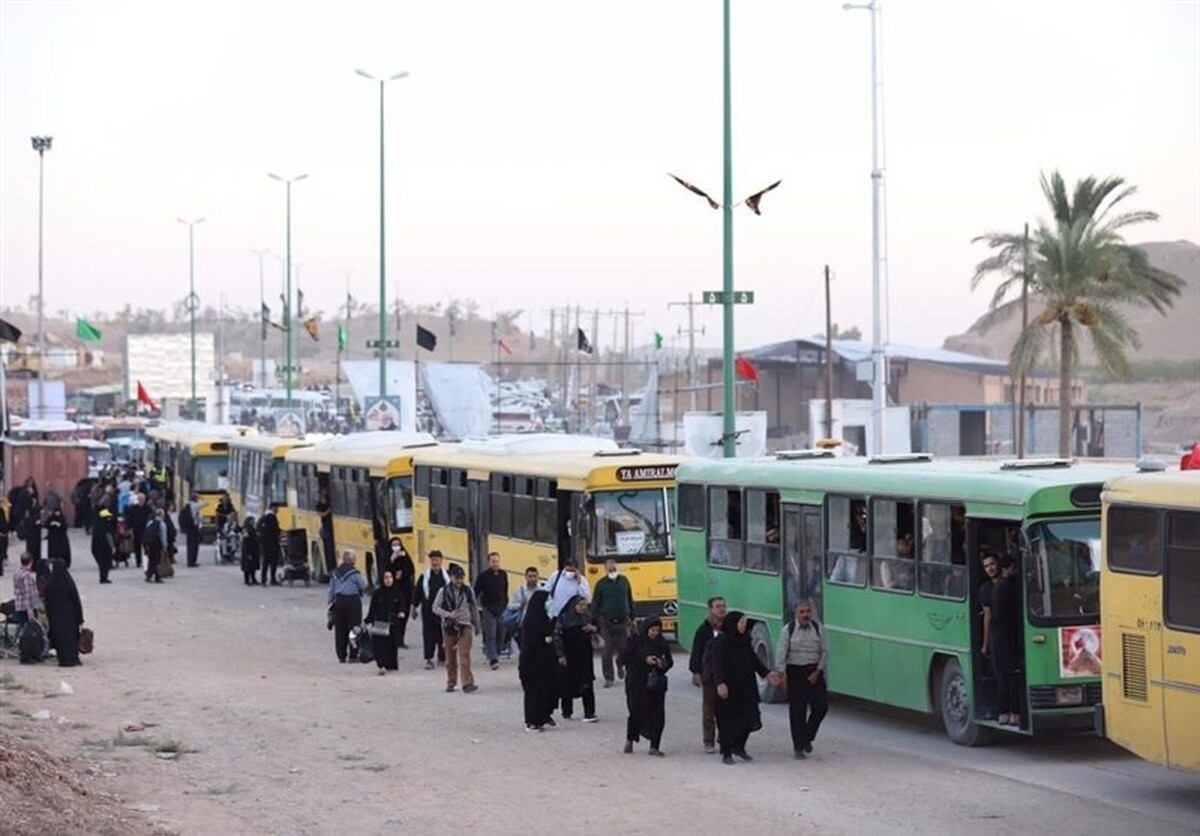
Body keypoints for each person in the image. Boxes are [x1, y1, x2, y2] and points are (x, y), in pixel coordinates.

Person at [710, 610, 770, 765]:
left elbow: (753, 659)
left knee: (749, 717)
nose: (744, 626)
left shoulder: (744, 640)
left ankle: (739, 747)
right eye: (741, 622)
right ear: (733, 624)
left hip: (746, 685)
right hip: (728, 687)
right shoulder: (721, 641)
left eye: (744, 622)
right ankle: (727, 752)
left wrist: (767, 674)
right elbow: (716, 664)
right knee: (728, 720)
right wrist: (720, 683)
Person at [771, 600, 829, 759]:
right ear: (796, 613)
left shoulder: (818, 629)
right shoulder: (787, 630)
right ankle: (798, 746)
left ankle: (807, 737)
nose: (806, 615)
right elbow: (781, 654)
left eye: (808, 611)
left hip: (814, 672)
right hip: (796, 672)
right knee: (798, 710)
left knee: (821, 707)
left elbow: (825, 651)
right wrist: (782, 676)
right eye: (802, 612)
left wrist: (818, 671)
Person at [621, 616, 673, 756]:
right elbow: (623, 658)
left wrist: (663, 664)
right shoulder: (635, 641)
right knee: (636, 711)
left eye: (657, 630)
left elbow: (669, 661)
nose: (655, 633)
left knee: (658, 714)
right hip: (636, 682)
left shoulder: (662, 643)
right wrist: (644, 660)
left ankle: (654, 746)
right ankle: (630, 739)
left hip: (655, 685)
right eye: (652, 630)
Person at [432, 563, 480, 693]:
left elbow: (474, 608)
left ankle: (467, 683)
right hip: (449, 627)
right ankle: (451, 682)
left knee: (464, 656)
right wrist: (448, 614)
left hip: (465, 626)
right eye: (456, 578)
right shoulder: (443, 591)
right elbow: (435, 608)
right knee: (450, 658)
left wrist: (477, 625)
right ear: (451, 577)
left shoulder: (468, 591)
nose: (459, 580)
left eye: (461, 578)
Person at [688, 596, 727, 754]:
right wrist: (696, 672)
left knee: (725, 708)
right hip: (709, 675)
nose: (721, 609)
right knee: (709, 709)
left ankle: (725, 737)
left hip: (725, 675)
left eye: (723, 606)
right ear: (710, 609)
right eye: (718, 606)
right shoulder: (703, 630)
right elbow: (697, 652)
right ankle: (708, 741)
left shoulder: (729, 627)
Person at [591, 557, 636, 687]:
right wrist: (594, 625)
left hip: (623, 621)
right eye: (610, 569)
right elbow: (595, 604)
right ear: (605, 569)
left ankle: (620, 664)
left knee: (624, 649)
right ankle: (609, 677)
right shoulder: (601, 584)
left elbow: (630, 599)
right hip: (606, 622)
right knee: (606, 650)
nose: (612, 570)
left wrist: (633, 617)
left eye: (614, 568)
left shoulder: (624, 581)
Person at [553, 595, 599, 722]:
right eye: (580, 605)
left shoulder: (589, 617)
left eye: (585, 605)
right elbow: (557, 637)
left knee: (587, 683)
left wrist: (593, 628)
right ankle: (567, 712)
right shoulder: (564, 618)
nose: (583, 608)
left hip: (585, 656)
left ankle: (589, 712)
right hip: (569, 656)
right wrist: (560, 655)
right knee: (567, 684)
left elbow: (598, 627)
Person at [518, 588, 558, 731]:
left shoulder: (543, 617)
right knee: (533, 691)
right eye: (547, 601)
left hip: (543, 663)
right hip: (532, 663)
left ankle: (543, 716)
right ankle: (532, 721)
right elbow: (536, 641)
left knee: (545, 690)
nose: (549, 603)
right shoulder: (530, 622)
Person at [991, 556, 1022, 726]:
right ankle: (1014, 713)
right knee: (1013, 677)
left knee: (1002, 676)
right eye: (1013, 568)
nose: (1015, 571)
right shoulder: (1010, 586)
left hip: (998, 638)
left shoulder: (997, 587)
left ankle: (1003, 712)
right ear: (1006, 569)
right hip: (1009, 638)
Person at [328, 551, 368, 663]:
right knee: (354, 627)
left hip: (339, 601)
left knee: (340, 629)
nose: (355, 560)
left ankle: (341, 655)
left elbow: (331, 590)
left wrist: (330, 604)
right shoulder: (354, 573)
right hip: (353, 602)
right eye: (354, 558)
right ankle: (353, 655)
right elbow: (364, 586)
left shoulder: (335, 573)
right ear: (350, 560)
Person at [412, 550, 450, 670]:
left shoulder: (447, 577)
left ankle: (442, 657)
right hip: (428, 610)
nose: (435, 562)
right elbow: (417, 593)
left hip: (443, 610)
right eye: (433, 560)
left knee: (443, 634)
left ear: (441, 560)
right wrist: (414, 607)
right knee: (428, 634)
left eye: (437, 560)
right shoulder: (424, 577)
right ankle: (429, 659)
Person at [44, 559, 84, 668]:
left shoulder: (51, 583)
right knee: (71, 637)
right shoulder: (68, 581)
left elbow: (47, 601)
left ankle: (63, 659)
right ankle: (73, 658)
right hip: (70, 616)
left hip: (56, 617)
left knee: (60, 638)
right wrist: (80, 617)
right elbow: (76, 600)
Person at [473, 551, 508, 670]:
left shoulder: (503, 574)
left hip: (502, 609)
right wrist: (474, 608)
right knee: (491, 635)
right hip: (488, 609)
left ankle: (496, 653)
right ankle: (493, 659)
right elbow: (475, 592)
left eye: (497, 561)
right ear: (489, 562)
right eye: (493, 561)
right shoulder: (482, 577)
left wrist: (506, 604)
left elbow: (505, 591)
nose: (495, 564)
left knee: (501, 634)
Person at [366, 569, 402, 674]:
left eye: (390, 577)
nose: (388, 580)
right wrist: (367, 621)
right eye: (386, 578)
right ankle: (381, 665)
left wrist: (401, 612)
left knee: (392, 644)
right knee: (380, 645)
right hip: (380, 622)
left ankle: (391, 664)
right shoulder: (377, 593)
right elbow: (372, 609)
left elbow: (402, 604)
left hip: (393, 622)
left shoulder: (397, 591)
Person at [386, 539, 415, 647]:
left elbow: (411, 569)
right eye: (394, 545)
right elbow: (384, 571)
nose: (396, 547)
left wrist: (402, 574)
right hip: (393, 590)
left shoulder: (405, 556)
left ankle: (400, 639)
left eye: (398, 544)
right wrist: (392, 559)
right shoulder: (388, 557)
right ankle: (393, 639)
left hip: (405, 589)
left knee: (404, 615)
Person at [505, 566, 541, 649]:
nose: (532, 579)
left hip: (537, 625)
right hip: (523, 625)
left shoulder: (541, 590)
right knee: (524, 649)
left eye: (534, 576)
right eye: (530, 576)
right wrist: (520, 604)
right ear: (526, 577)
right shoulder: (520, 590)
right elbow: (510, 606)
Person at [979, 552, 1000, 678]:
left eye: (992, 564)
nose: (990, 569)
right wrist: (985, 644)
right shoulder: (985, 589)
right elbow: (988, 617)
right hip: (996, 637)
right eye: (986, 566)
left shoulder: (1010, 582)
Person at [11, 552, 40, 624]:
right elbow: (27, 595)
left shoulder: (17, 573)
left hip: (19, 605)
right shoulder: (27, 576)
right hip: (27, 608)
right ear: (31, 562)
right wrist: (30, 613)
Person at [91, 508, 116, 584]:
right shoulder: (107, 525)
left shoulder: (96, 526)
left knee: (101, 564)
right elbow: (109, 536)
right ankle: (104, 578)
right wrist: (113, 547)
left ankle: (103, 577)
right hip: (105, 548)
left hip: (96, 547)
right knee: (106, 563)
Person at [257, 508, 282, 586]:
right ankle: (273, 579)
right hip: (272, 543)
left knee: (265, 562)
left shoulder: (263, 517)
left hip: (264, 544)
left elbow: (259, 528)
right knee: (273, 562)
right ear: (273, 508)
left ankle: (263, 580)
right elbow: (275, 529)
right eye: (277, 508)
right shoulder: (271, 517)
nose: (278, 510)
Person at [143, 507, 168, 583]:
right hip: (157, 545)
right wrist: (164, 547)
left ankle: (149, 576)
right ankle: (157, 576)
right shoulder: (162, 524)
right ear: (162, 515)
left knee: (151, 560)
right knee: (157, 561)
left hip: (149, 544)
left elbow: (146, 532)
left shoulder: (150, 522)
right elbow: (163, 536)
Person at [126, 492, 149, 569]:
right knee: (137, 547)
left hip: (145, 530)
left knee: (146, 546)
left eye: (142, 499)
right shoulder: (133, 508)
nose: (141, 500)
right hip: (136, 529)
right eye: (140, 499)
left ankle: (146, 560)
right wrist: (129, 528)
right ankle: (138, 562)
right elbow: (130, 519)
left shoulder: (148, 508)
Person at [317, 490, 336, 576]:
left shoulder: (329, 503)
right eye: (324, 496)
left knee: (331, 548)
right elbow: (321, 515)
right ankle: (330, 568)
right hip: (326, 528)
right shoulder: (319, 505)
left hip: (331, 527)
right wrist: (329, 511)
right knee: (328, 548)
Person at [181, 493, 202, 568]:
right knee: (194, 545)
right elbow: (206, 504)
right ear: (195, 499)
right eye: (197, 498)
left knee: (190, 545)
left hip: (189, 527)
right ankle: (192, 561)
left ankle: (190, 560)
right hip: (193, 527)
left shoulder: (188, 505)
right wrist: (202, 498)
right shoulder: (194, 505)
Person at [241, 515, 260, 585]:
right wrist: (248, 553)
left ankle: (253, 579)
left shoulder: (253, 529)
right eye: (252, 520)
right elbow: (245, 541)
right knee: (247, 566)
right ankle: (247, 580)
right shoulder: (245, 530)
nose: (253, 522)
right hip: (247, 549)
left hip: (254, 549)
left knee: (253, 565)